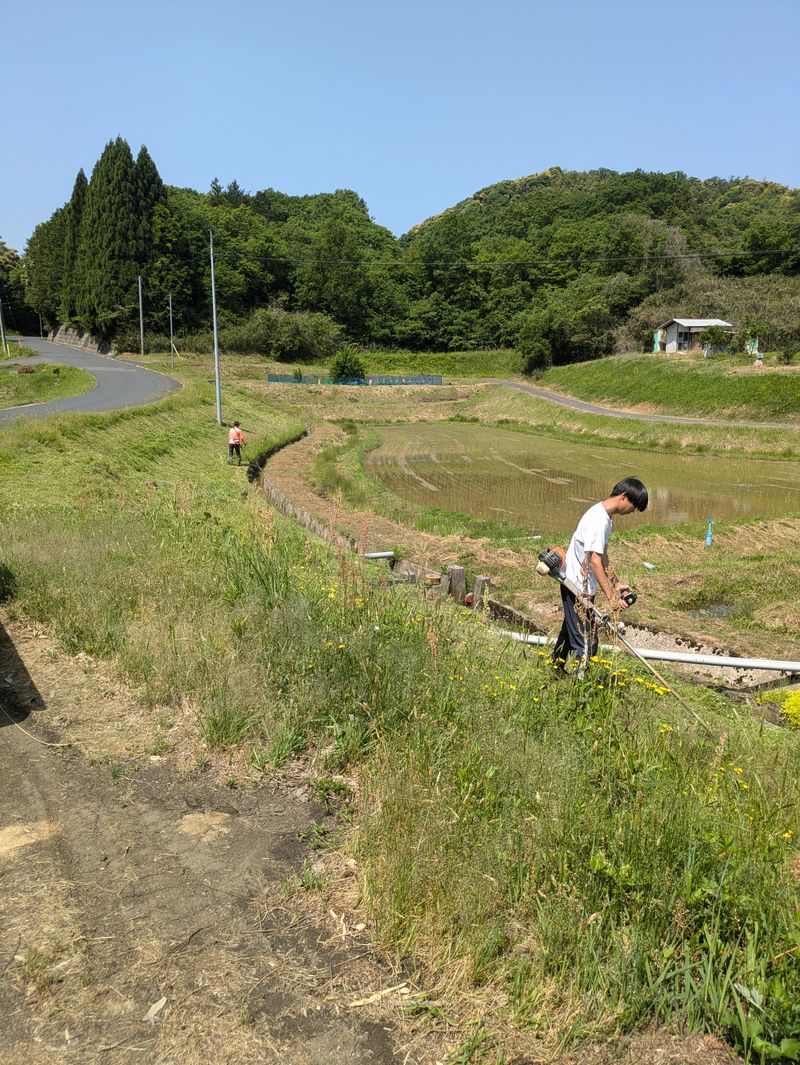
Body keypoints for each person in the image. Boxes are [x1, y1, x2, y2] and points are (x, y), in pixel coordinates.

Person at [553, 477, 649, 670]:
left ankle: (555, 670)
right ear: (624, 497)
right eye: (634, 507)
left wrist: (616, 583)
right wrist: (612, 598)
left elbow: (601, 555)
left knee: (570, 633)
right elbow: (595, 562)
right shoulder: (599, 520)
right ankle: (580, 685)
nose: (632, 512)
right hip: (576, 587)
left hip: (579, 585)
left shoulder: (604, 516)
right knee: (587, 644)